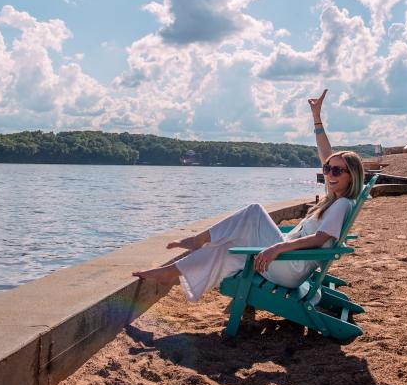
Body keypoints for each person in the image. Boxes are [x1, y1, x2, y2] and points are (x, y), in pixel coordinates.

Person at [133, 90, 364, 301]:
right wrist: (316, 117)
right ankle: (171, 273)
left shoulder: (342, 203)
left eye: (336, 170)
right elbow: (326, 153)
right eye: (327, 169)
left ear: (351, 176)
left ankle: (197, 240)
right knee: (226, 249)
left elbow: (319, 239)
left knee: (253, 212)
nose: (329, 173)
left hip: (289, 266)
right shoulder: (334, 196)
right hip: (289, 261)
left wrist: (276, 248)